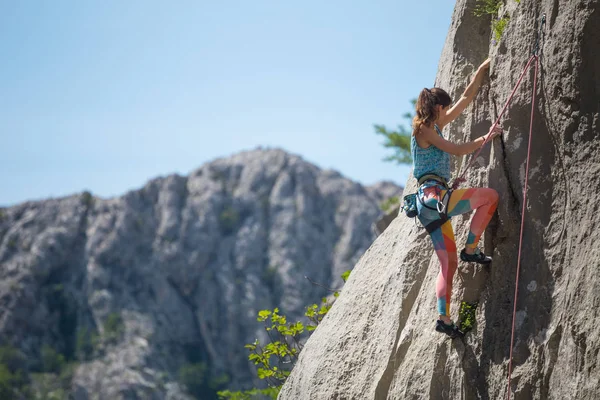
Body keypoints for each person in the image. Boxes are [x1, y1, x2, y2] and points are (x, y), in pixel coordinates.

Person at [410, 58, 501, 338]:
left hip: (429, 203)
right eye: (445, 108)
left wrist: (480, 70)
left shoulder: (432, 125)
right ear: (438, 108)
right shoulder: (424, 128)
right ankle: (471, 249)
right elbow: (458, 149)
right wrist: (485, 138)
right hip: (434, 197)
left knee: (448, 265)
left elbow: (464, 99)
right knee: (490, 197)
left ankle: (444, 319)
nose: (448, 112)